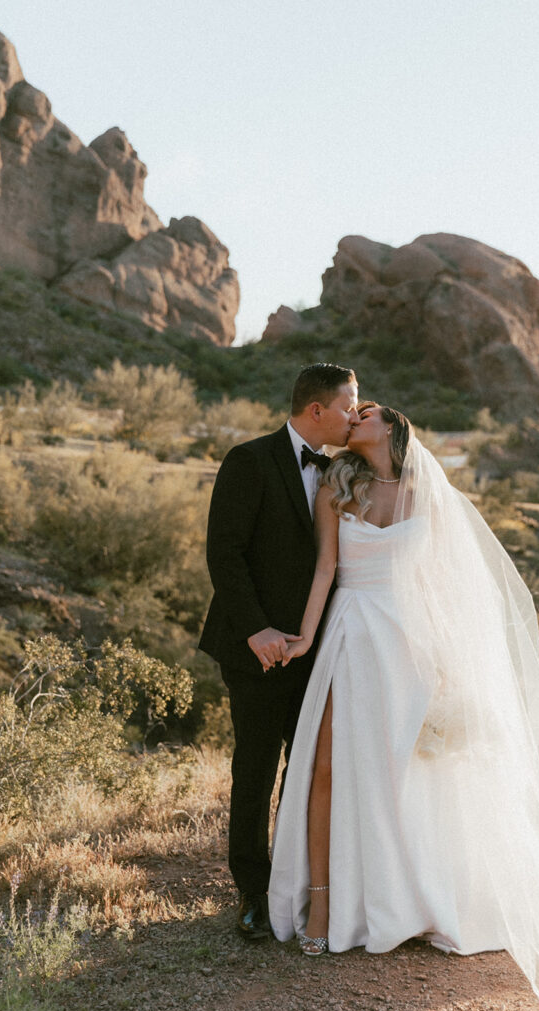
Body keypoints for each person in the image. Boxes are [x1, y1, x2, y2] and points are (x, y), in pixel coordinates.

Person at [269, 403, 539, 1011]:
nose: (357, 416)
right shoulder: (337, 484)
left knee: (405, 772)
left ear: (395, 429)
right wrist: (304, 639)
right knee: (329, 768)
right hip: (352, 634)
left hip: (407, 642)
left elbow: (440, 584)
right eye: (353, 411)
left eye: (369, 412)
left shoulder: (424, 490)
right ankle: (324, 907)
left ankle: (406, 895)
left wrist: (448, 663)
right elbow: (327, 570)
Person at [199, 363, 359, 939]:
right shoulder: (249, 460)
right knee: (256, 767)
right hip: (258, 649)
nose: (354, 415)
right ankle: (251, 892)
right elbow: (225, 554)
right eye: (348, 406)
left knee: (313, 772)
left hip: (324, 650)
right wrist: (257, 630)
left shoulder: (350, 472)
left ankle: (300, 888)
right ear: (316, 410)